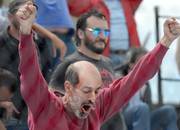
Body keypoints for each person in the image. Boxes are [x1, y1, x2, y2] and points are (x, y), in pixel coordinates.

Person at [17, 1, 180, 130]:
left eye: (97, 91)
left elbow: (135, 78)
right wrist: (25, 32)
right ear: (68, 88)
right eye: (87, 91)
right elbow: (29, 72)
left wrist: (165, 41)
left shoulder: (97, 104)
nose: (93, 98)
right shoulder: (45, 105)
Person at [49, 10, 127, 130]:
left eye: (106, 32)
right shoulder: (69, 64)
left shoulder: (108, 62)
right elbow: (52, 105)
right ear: (80, 33)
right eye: (96, 31)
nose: (102, 37)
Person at [0, 0, 66, 129]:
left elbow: (48, 77)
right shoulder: (1, 42)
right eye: (22, 13)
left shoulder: (41, 43)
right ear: (9, 16)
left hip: (38, 116)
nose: (27, 17)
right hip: (10, 117)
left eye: (31, 14)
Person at [68, 0, 141, 66]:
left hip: (129, 58)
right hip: (105, 58)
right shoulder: (92, 3)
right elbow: (74, 7)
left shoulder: (127, 2)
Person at [121, 47, 178, 130]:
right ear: (131, 64)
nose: (145, 65)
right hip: (126, 119)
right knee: (142, 108)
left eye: (147, 62)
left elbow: (150, 108)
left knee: (169, 111)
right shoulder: (120, 80)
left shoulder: (146, 83)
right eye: (141, 61)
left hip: (143, 120)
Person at [35, 0, 76, 67]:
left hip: (67, 37)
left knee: (74, 70)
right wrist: (51, 36)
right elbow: (20, 14)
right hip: (46, 39)